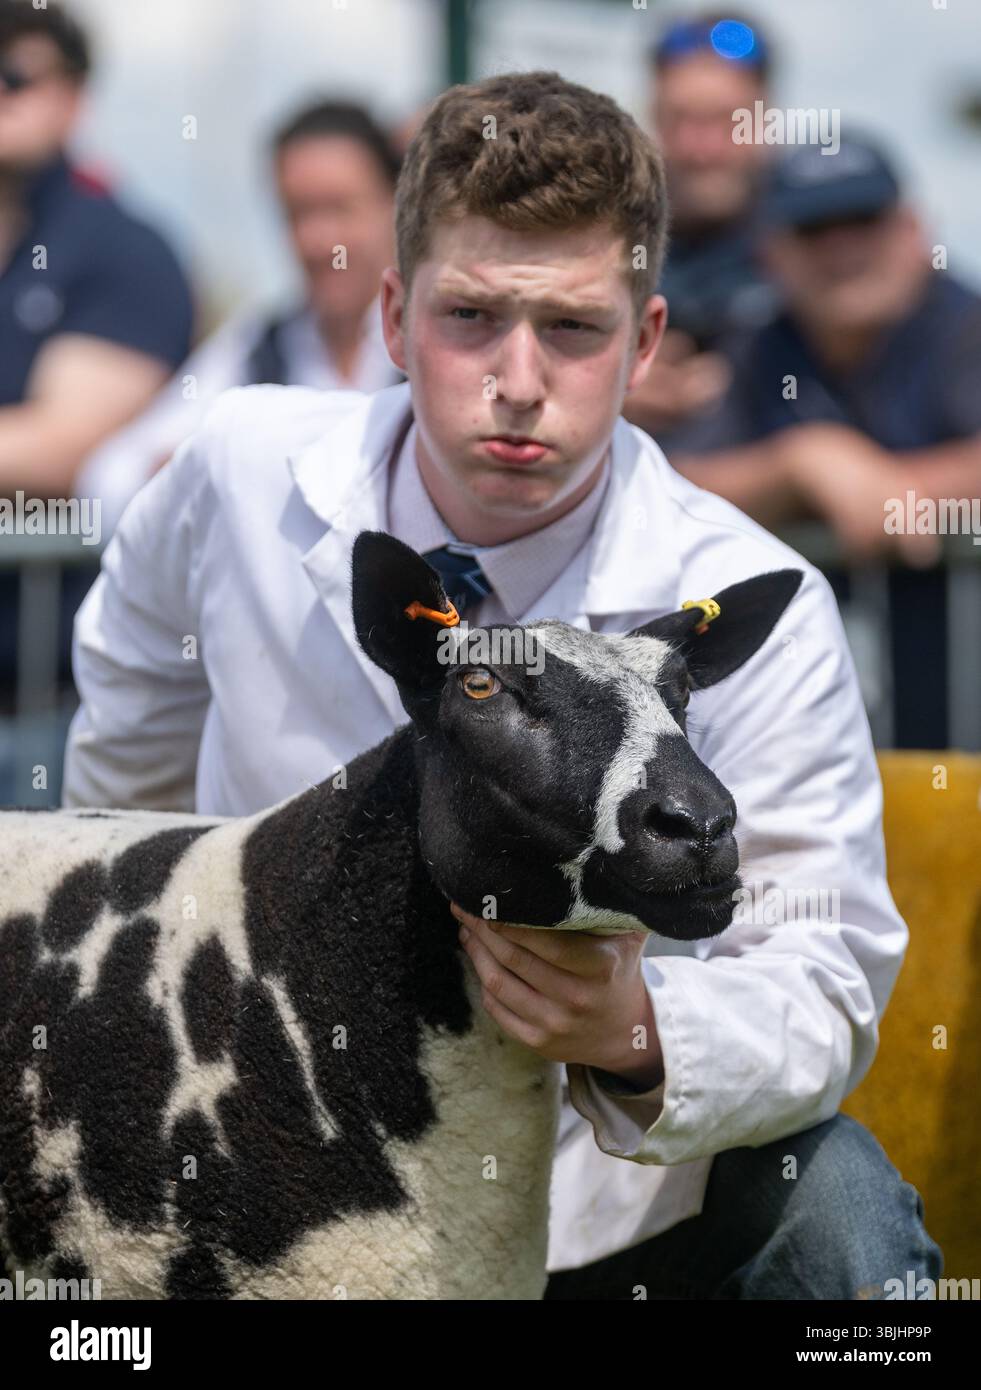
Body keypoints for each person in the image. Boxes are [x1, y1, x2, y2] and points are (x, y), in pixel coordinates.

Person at [60, 70, 941, 1299]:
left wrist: (633, 1035)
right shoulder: (238, 472)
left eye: (574, 328)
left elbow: (824, 966)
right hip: (280, 1158)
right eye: (470, 315)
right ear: (391, 314)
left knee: (834, 1207)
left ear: (643, 338)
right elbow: (130, 734)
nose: (518, 378)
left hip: (608, 1195)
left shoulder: (751, 597)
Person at [666, 134, 981, 749]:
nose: (841, 249)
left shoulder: (965, 325)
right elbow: (671, 486)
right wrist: (799, 463)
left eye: (863, 221)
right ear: (769, 251)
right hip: (823, 738)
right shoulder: (756, 344)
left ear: (913, 230)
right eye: (813, 230)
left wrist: (899, 491)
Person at [75, 99, 407, 539]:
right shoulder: (258, 343)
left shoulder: (438, 339)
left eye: (338, 208)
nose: (319, 240)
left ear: (396, 208)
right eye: (298, 213)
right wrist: (193, 471)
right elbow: (111, 478)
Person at [0, 0, 193, 698]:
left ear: (72, 96)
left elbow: (61, 447)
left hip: (46, 685)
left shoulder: (122, 250)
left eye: (11, 74)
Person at [623, 10, 778, 442]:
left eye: (725, 121)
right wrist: (611, 385)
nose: (700, 149)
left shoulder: (823, 228)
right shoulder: (609, 231)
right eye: (680, 120)